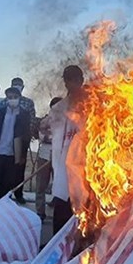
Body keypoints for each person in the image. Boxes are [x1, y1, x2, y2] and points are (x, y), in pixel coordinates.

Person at [42, 65, 86, 236]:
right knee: (62, 203)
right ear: (65, 82)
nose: (73, 83)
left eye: (76, 79)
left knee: (82, 207)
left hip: (84, 163)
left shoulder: (92, 102)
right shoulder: (59, 107)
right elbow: (46, 128)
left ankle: (78, 245)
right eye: (69, 79)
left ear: (81, 80)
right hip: (62, 163)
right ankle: (57, 245)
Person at [0, 87, 32, 213]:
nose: (12, 99)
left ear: (19, 98)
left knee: (7, 185)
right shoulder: (1, 111)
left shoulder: (24, 114)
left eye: (14, 97)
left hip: (13, 153)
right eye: (9, 97)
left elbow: (26, 135)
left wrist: (22, 153)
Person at [0, 77, 36, 204]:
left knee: (19, 167)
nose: (17, 86)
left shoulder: (28, 102)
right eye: (14, 84)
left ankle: (18, 193)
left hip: (21, 140)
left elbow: (32, 119)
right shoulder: (4, 102)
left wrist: (28, 136)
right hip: (5, 140)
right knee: (6, 166)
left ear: (22, 87)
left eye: (19, 85)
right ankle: (3, 193)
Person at [34, 97, 61, 221]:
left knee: (59, 186)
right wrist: (56, 138)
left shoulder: (67, 121)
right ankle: (40, 212)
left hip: (59, 157)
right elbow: (43, 137)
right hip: (44, 156)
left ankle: (57, 209)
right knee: (41, 186)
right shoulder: (45, 121)